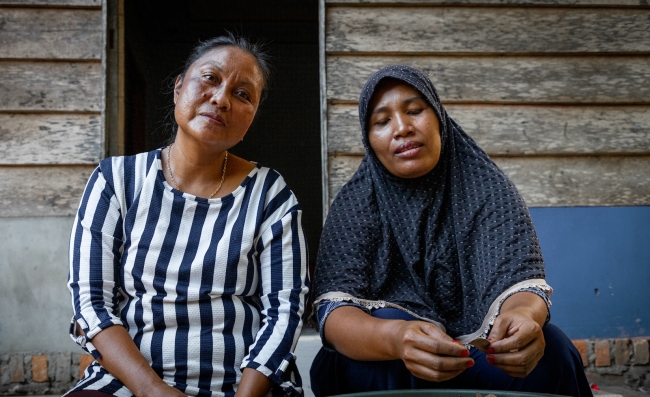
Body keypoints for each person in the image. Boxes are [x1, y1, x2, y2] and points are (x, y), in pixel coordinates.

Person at [310, 65, 592, 397]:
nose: (402, 127)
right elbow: (334, 313)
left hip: (477, 357)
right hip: (392, 360)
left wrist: (523, 318)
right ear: (369, 140)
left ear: (439, 119)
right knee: (363, 344)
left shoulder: (488, 189)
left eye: (415, 110)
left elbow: (521, 282)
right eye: (382, 121)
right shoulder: (357, 201)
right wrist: (396, 338)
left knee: (554, 349)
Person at [66, 34, 309, 397]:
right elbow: (91, 304)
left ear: (251, 118)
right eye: (210, 78)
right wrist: (153, 391)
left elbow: (285, 312)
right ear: (179, 88)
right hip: (130, 383)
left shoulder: (269, 194)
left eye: (242, 94)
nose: (221, 99)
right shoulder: (116, 181)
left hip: (243, 386)